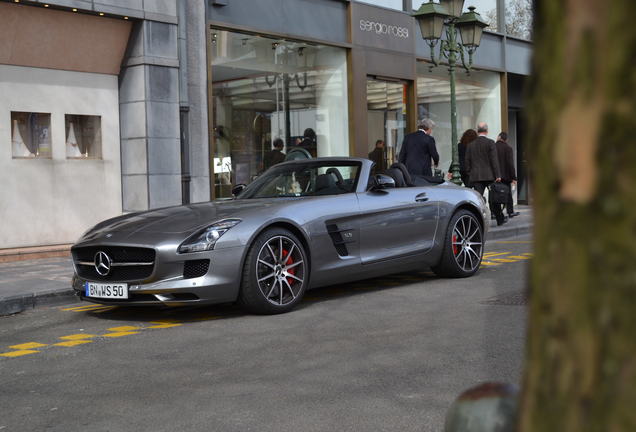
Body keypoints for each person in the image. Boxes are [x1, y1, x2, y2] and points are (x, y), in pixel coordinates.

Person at [465, 122, 505, 226]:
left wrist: (471, 173)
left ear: (477, 131)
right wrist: (498, 175)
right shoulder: (490, 143)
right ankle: (499, 218)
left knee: (478, 199)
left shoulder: (470, 145)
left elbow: (467, 162)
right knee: (494, 198)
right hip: (489, 175)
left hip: (476, 176)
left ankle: (477, 221)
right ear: (486, 131)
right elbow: (494, 160)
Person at [495, 132, 520, 218]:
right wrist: (514, 177)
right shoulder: (508, 148)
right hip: (505, 176)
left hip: (495, 176)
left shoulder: (493, 147)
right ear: (506, 140)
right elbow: (510, 164)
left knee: (495, 195)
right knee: (508, 194)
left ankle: (496, 213)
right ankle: (510, 212)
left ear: (499, 137)